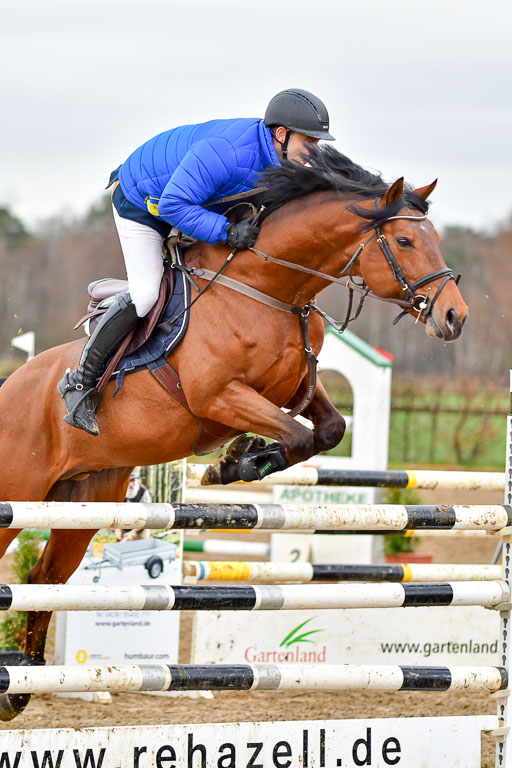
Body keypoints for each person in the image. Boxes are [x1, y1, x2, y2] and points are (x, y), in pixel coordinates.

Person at [58, 89, 335, 436]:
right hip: (146, 204)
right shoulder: (229, 152)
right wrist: (226, 232)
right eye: (309, 142)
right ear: (281, 135)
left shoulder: (281, 159)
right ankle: (80, 381)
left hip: (193, 203)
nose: (314, 152)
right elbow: (174, 205)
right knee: (146, 294)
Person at [114, 470, 152, 542]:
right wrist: (117, 529)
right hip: (123, 526)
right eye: (129, 481)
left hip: (141, 528)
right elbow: (116, 510)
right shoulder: (120, 491)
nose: (131, 484)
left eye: (133, 480)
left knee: (140, 549)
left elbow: (148, 515)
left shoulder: (144, 492)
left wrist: (134, 531)